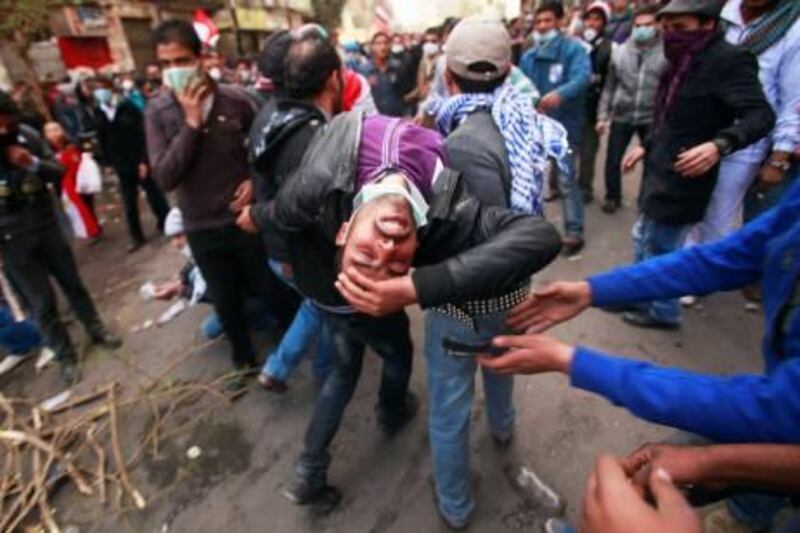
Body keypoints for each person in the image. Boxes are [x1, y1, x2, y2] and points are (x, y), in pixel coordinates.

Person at [267, 110, 561, 506]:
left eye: (366, 253)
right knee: (468, 386)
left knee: (475, 377)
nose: (387, 249)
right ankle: (460, 497)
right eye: (394, 266)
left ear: (344, 229)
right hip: (473, 314)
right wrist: (418, 286)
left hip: (488, 313)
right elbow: (540, 236)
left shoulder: (318, 184)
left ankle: (474, 468)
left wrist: (259, 224)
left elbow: (280, 215)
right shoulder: (455, 211)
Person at [431, 17, 568, 529]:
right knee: (503, 364)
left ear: (448, 76)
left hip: (461, 300)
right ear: (509, 71)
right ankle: (504, 428)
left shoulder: (459, 143)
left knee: (448, 404)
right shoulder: (526, 122)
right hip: (513, 291)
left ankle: (455, 505)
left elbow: (456, 236)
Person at [145, 20, 288, 388]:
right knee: (226, 302)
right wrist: (191, 124)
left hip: (245, 220)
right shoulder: (159, 110)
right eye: (166, 64)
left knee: (269, 288)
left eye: (182, 60)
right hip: (201, 227)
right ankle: (243, 362)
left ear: (201, 58)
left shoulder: (236, 99)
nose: (174, 71)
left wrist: (253, 182)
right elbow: (164, 176)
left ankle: (288, 351)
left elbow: (266, 150)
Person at [615, 0, 775, 329]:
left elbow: (760, 115)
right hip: (659, 165)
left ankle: (664, 311)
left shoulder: (729, 61)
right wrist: (645, 146)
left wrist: (719, 145)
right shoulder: (676, 61)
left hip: (688, 173)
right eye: (667, 28)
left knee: (663, 245)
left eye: (681, 28)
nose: (671, 35)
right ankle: (640, 295)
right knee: (643, 236)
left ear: (707, 25)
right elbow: (669, 116)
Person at [0, 90, 121, 385]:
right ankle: (64, 355)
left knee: (73, 285)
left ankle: (96, 329)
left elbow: (59, 172)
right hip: (12, 239)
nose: (4, 130)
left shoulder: (26, 136)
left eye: (7, 122)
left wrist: (32, 164)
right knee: (41, 303)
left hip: (46, 226)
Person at [239, 31, 337, 392]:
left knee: (315, 305)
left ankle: (285, 368)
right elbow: (298, 205)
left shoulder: (273, 114)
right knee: (323, 307)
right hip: (290, 247)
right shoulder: (304, 130)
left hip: (277, 244)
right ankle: (322, 376)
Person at [683, 0, 800, 249]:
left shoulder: (792, 28)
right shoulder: (719, 13)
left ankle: (701, 279)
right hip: (698, 130)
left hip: (745, 142)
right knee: (684, 212)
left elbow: (792, 101)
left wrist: (779, 159)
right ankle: (677, 275)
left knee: (717, 221)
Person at [519, 1, 591, 256]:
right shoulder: (528, 56)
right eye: (538, 22)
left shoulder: (574, 50)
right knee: (532, 180)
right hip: (535, 127)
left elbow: (582, 78)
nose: (542, 27)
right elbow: (522, 87)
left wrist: (560, 94)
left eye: (548, 21)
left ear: (560, 22)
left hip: (565, 126)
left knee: (566, 180)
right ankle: (532, 232)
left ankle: (574, 232)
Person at [596, 4, 667, 214]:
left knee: (651, 161)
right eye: (638, 25)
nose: (642, 29)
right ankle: (612, 196)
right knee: (613, 158)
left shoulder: (668, 53)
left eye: (647, 25)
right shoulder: (620, 53)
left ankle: (646, 200)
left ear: (657, 25)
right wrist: (602, 115)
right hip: (623, 114)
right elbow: (609, 87)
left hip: (651, 116)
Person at [94, 76, 170, 252]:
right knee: (129, 201)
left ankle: (165, 222)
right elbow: (102, 140)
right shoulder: (99, 111)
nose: (100, 93)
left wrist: (145, 160)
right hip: (121, 164)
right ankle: (136, 236)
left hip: (138, 160)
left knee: (154, 194)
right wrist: (106, 163)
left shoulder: (127, 107)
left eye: (102, 88)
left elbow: (144, 134)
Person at [42, 121, 102, 242]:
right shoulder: (47, 150)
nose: (53, 134)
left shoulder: (71, 145)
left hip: (78, 181)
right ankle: (90, 230)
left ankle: (93, 229)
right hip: (64, 184)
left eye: (55, 129)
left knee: (86, 206)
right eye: (49, 131)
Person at [578, 1, 613, 204]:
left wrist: (604, 115)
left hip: (593, 107)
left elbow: (609, 81)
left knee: (588, 152)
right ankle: (562, 186)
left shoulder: (608, 47)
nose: (592, 23)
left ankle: (585, 187)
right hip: (573, 106)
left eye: (597, 19)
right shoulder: (575, 43)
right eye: (589, 18)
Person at [360, 32, 409, 117]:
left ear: (389, 46)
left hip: (396, 118)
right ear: (372, 47)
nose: (382, 47)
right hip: (375, 119)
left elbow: (404, 94)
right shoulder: (364, 70)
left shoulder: (397, 67)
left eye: (385, 43)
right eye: (378, 44)